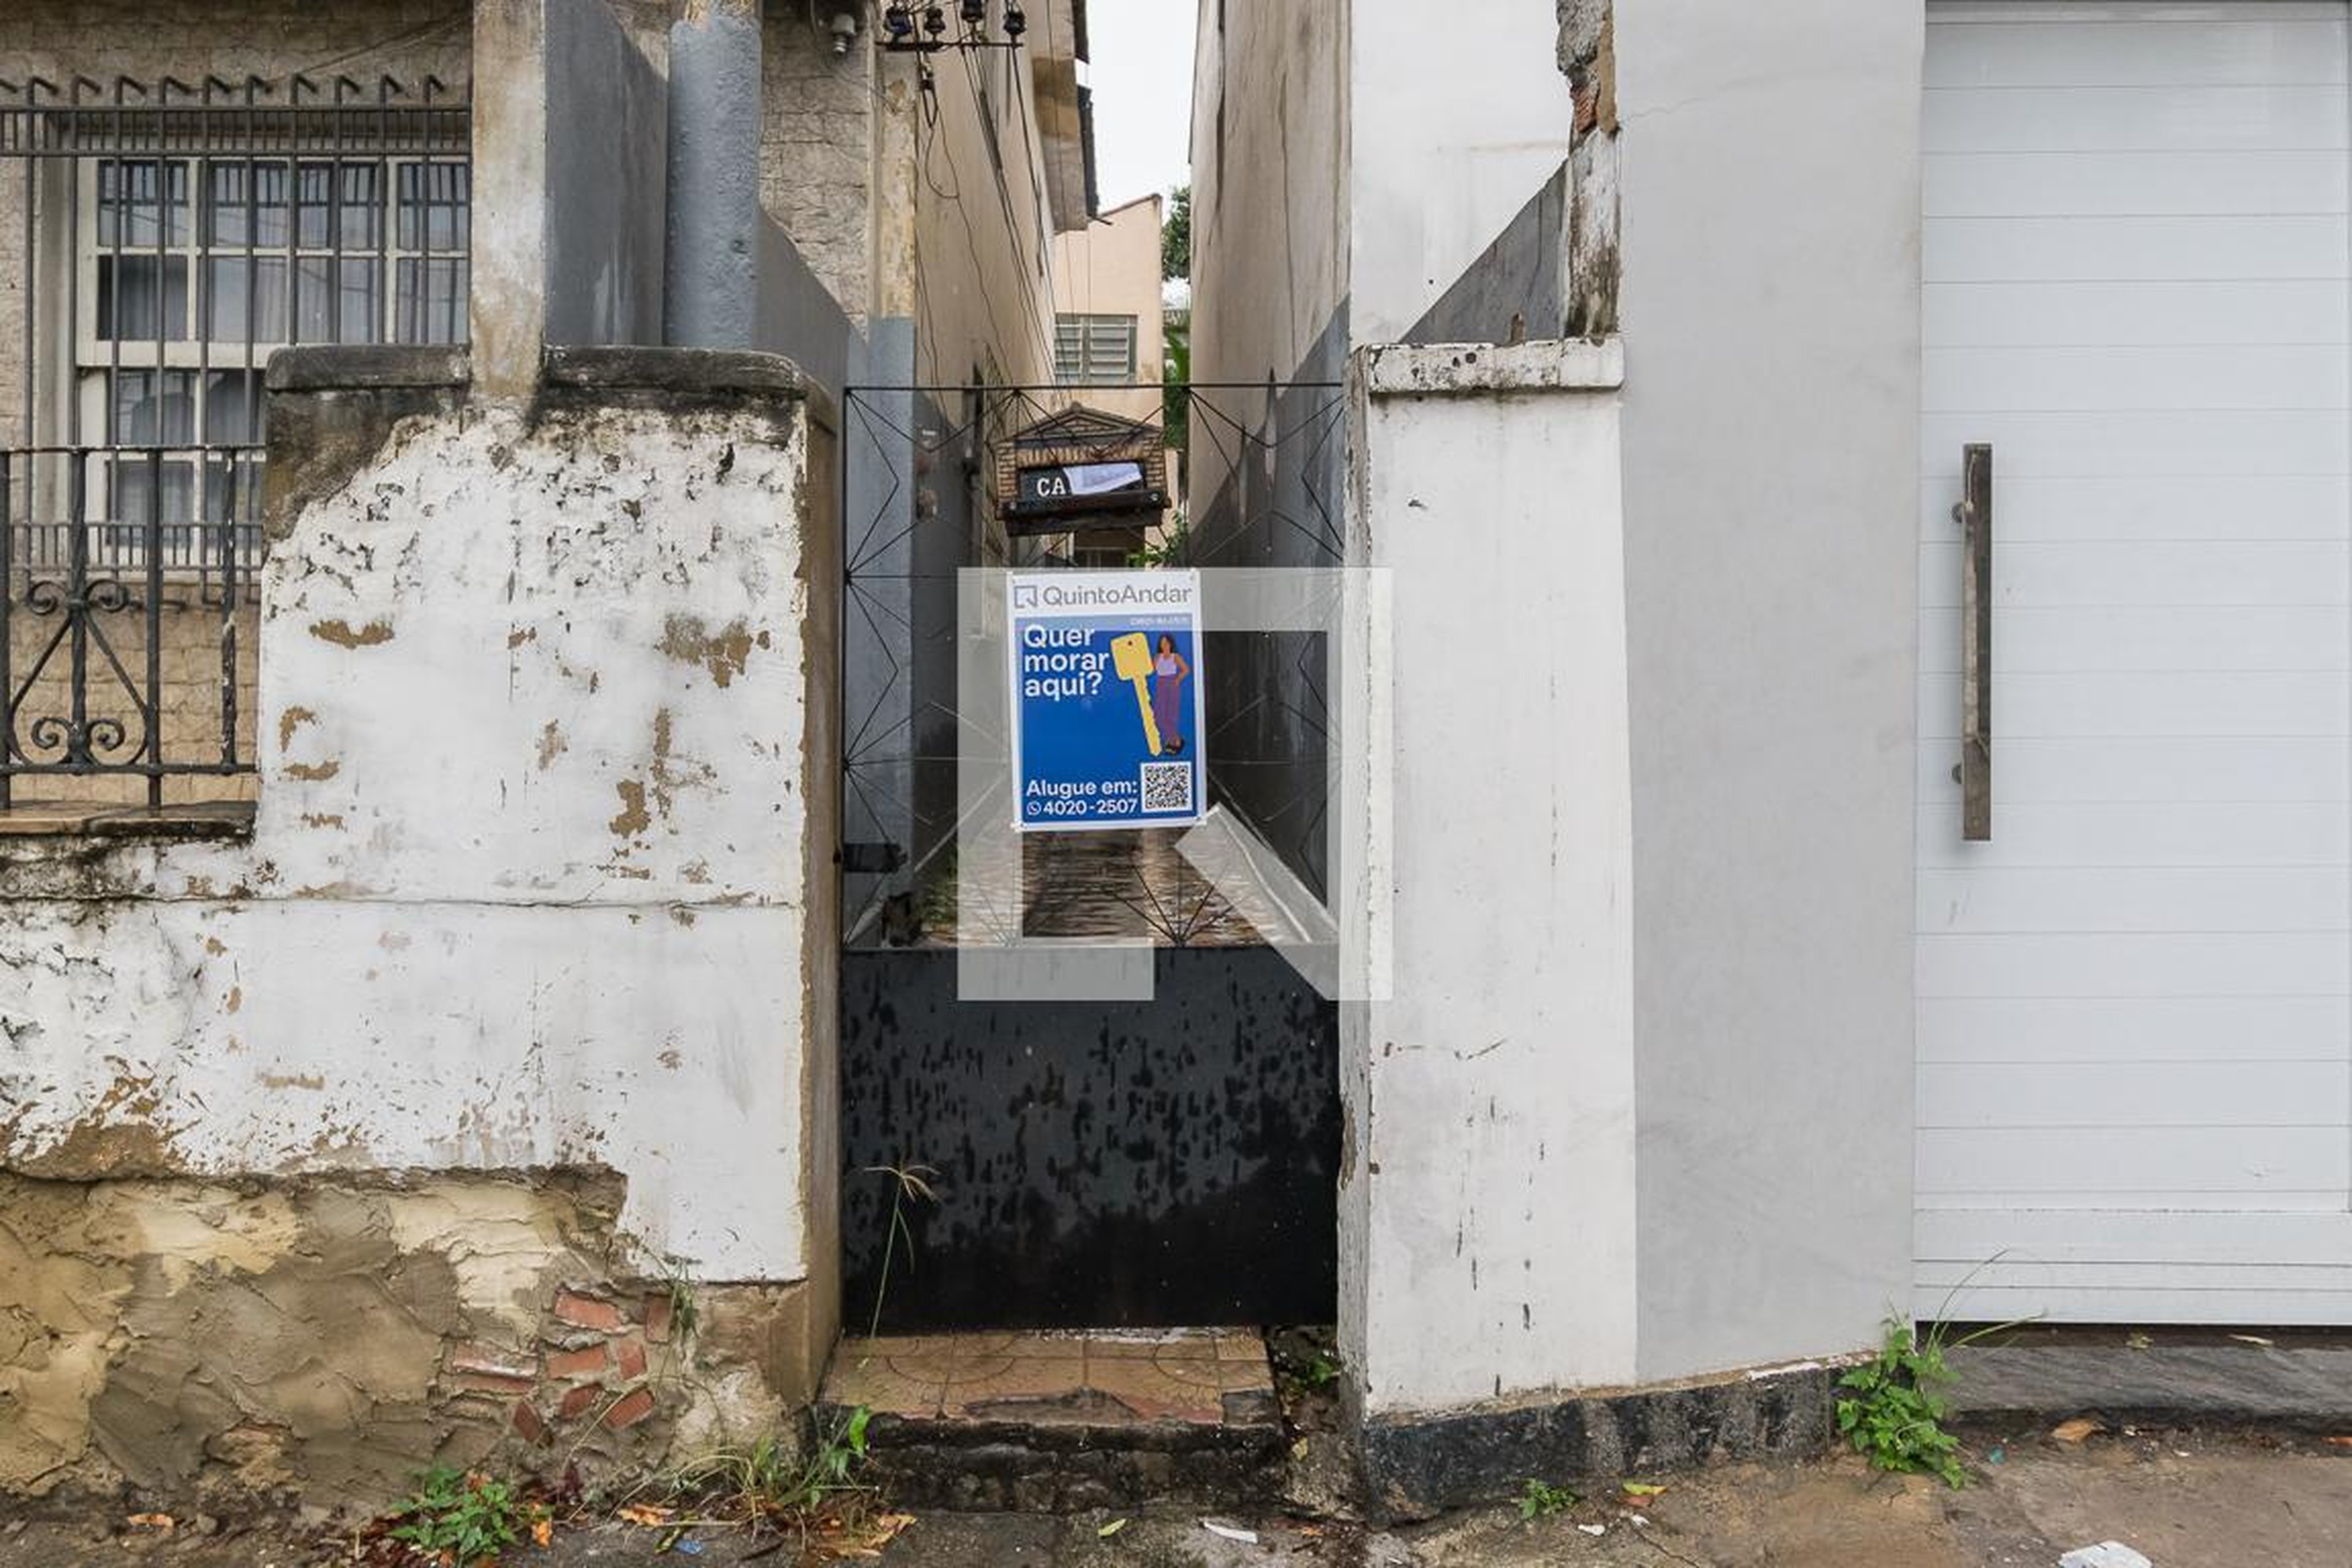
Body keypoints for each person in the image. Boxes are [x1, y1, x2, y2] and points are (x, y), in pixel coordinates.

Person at [1150, 633, 1190, 755]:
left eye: (1166, 643)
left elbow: (1186, 670)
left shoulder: (1175, 657)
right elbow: (1150, 670)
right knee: (1159, 716)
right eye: (1162, 643)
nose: (1164, 645)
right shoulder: (1157, 657)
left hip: (1172, 685)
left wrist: (1177, 680)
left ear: (1171, 644)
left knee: (1171, 715)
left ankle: (1174, 742)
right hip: (1161, 685)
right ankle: (1175, 739)